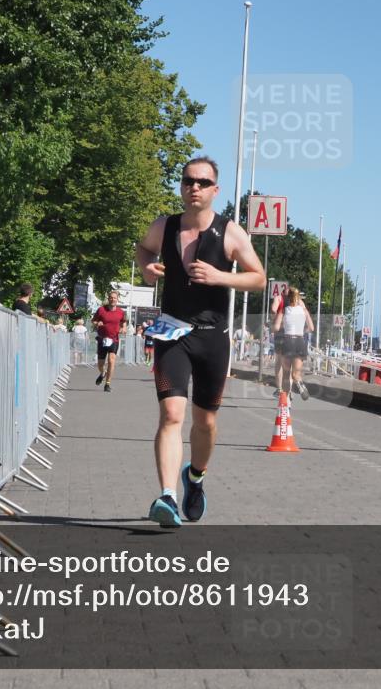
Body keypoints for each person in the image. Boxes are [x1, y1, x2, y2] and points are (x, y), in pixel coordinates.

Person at [136, 156, 265, 527]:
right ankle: (167, 497)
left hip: (213, 339)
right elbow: (143, 249)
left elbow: (258, 278)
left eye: (203, 182)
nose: (194, 187)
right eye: (188, 181)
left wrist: (220, 276)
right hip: (172, 333)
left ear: (215, 190)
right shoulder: (165, 226)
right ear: (181, 186)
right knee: (171, 415)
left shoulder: (230, 233)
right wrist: (146, 266)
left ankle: (195, 478)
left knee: (205, 421)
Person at [273, 287, 315, 400]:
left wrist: (284, 326)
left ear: (288, 297)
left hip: (288, 341)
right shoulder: (304, 311)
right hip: (300, 341)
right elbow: (311, 328)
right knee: (296, 374)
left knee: (286, 375)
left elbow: (276, 327)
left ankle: (286, 403)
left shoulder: (284, 310)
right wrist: (302, 330)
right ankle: (300, 384)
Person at [92, 290, 128, 392]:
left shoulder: (121, 312)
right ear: (108, 299)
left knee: (111, 361)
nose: (113, 299)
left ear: (117, 299)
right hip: (102, 339)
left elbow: (124, 322)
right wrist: (97, 323)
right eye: (111, 298)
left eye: (114, 298)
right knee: (100, 363)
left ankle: (107, 384)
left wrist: (124, 328)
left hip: (114, 339)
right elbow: (93, 320)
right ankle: (102, 373)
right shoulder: (101, 310)